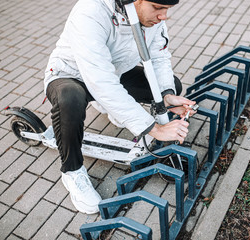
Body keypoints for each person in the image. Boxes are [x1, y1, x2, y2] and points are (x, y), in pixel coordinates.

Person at [44, 0, 196, 214]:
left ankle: (115, 107)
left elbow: (159, 58)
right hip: (71, 75)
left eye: (166, 10)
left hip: (114, 73)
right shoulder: (90, 12)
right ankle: (72, 171)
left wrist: (167, 96)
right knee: (70, 99)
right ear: (136, 1)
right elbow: (100, 81)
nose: (163, 17)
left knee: (172, 85)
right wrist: (154, 128)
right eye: (158, 8)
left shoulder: (151, 17)